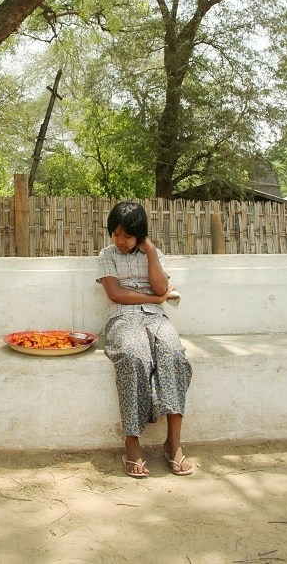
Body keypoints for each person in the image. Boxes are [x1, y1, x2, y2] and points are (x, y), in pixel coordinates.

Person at [97, 201, 193, 478]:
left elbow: (162, 286)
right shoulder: (107, 254)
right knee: (133, 356)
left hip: (156, 319)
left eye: (128, 235)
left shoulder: (155, 253)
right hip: (123, 319)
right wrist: (155, 298)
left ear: (140, 233)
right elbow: (116, 293)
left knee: (174, 355)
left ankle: (173, 441)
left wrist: (149, 251)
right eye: (116, 234)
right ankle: (132, 441)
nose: (121, 241)